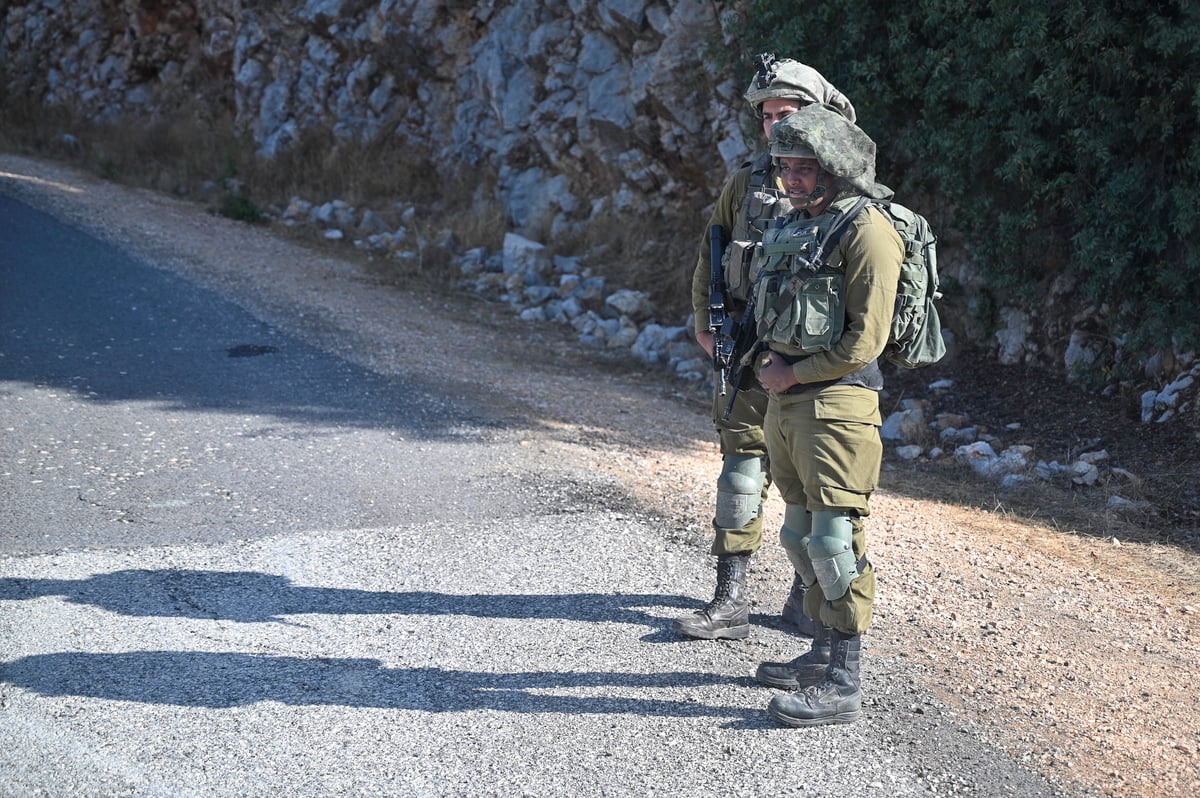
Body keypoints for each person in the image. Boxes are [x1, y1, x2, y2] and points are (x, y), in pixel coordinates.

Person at [675, 56, 856, 641]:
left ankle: (814, 608)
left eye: (789, 113)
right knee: (740, 475)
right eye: (768, 115)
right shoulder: (747, 181)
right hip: (747, 352)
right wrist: (706, 321)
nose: (776, 125)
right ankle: (730, 600)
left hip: (813, 363)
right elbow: (712, 250)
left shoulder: (843, 185)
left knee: (817, 490)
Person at [750, 104, 903, 726]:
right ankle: (819, 653)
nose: (790, 178)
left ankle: (844, 681)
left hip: (838, 403)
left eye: (804, 168)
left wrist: (794, 374)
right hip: (787, 401)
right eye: (784, 166)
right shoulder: (800, 225)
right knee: (798, 537)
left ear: (836, 169)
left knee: (834, 542)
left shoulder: (869, 232)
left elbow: (864, 342)